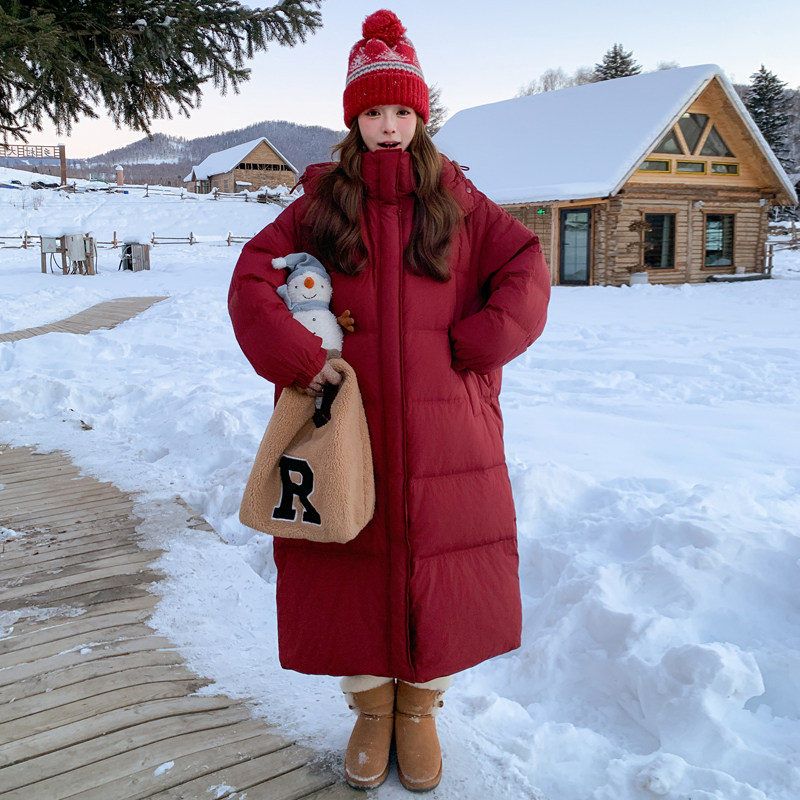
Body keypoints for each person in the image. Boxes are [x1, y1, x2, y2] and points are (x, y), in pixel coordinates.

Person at [228, 8, 551, 792]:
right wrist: (303, 361)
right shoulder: (318, 203)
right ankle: (372, 708)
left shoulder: (458, 200)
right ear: (353, 118)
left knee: (439, 567)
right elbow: (251, 280)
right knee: (350, 561)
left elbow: (527, 266)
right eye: (373, 111)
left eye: (402, 110)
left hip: (449, 430)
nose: (388, 125)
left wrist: (480, 344)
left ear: (420, 116)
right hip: (346, 424)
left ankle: (421, 711)